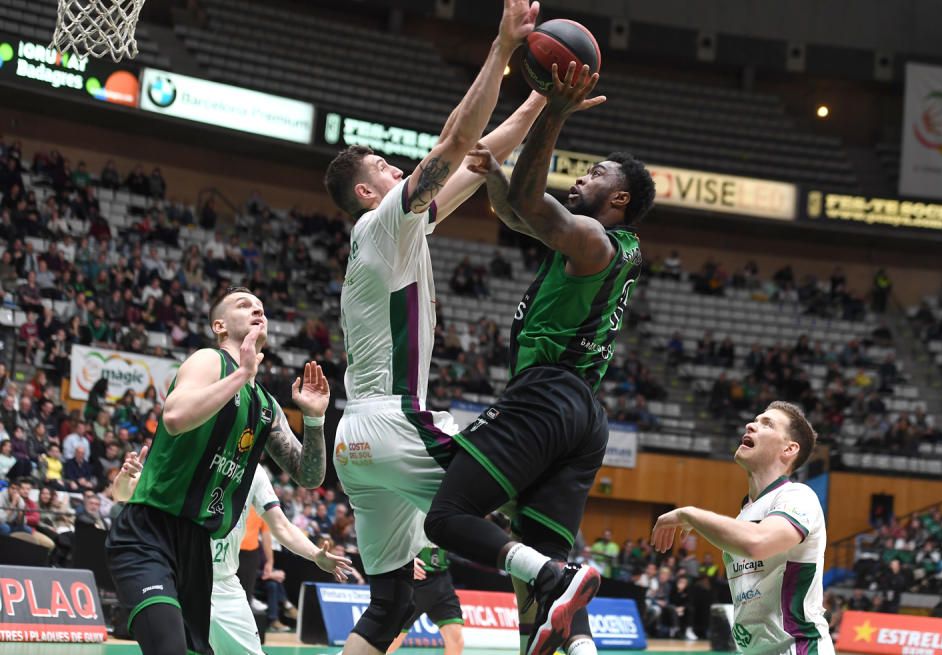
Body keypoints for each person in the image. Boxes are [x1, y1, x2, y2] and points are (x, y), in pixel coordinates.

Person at [322, 2, 543, 653]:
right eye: (386, 169)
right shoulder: (382, 221)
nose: (397, 170)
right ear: (369, 193)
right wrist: (503, 50)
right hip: (392, 420)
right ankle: (553, 576)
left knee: (388, 604)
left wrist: (538, 104)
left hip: (354, 442)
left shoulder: (398, 231)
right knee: (510, 488)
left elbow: (474, 162)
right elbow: (451, 145)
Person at [424, 61, 655, 655]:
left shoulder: (594, 240)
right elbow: (514, 207)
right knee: (542, 574)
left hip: (548, 395)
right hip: (584, 416)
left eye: (596, 174)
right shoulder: (601, 243)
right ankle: (580, 646)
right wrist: (497, 174)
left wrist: (552, 111)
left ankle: (555, 577)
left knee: (448, 517)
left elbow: (530, 199)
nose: (583, 176)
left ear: (620, 198)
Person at [105, 286, 330, 655]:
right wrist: (242, 374)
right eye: (245, 306)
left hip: (198, 547)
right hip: (150, 531)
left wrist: (315, 419)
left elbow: (308, 476)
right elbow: (175, 417)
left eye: (262, 308)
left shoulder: (266, 405)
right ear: (220, 325)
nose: (258, 311)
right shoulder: (209, 361)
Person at [113, 451, 350, 655]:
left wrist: (315, 554)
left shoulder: (255, 473)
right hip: (180, 580)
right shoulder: (188, 454)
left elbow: (281, 526)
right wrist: (126, 476)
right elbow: (123, 494)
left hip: (224, 585)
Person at [651, 402, 833, 655]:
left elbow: (757, 543)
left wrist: (690, 514)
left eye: (766, 424)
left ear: (789, 449)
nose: (751, 425)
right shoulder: (745, 514)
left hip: (798, 648)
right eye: (755, 420)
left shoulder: (798, 496)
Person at [387, 545, 464, 655]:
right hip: (413, 581)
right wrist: (403, 562)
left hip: (442, 581)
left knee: (456, 639)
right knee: (392, 641)